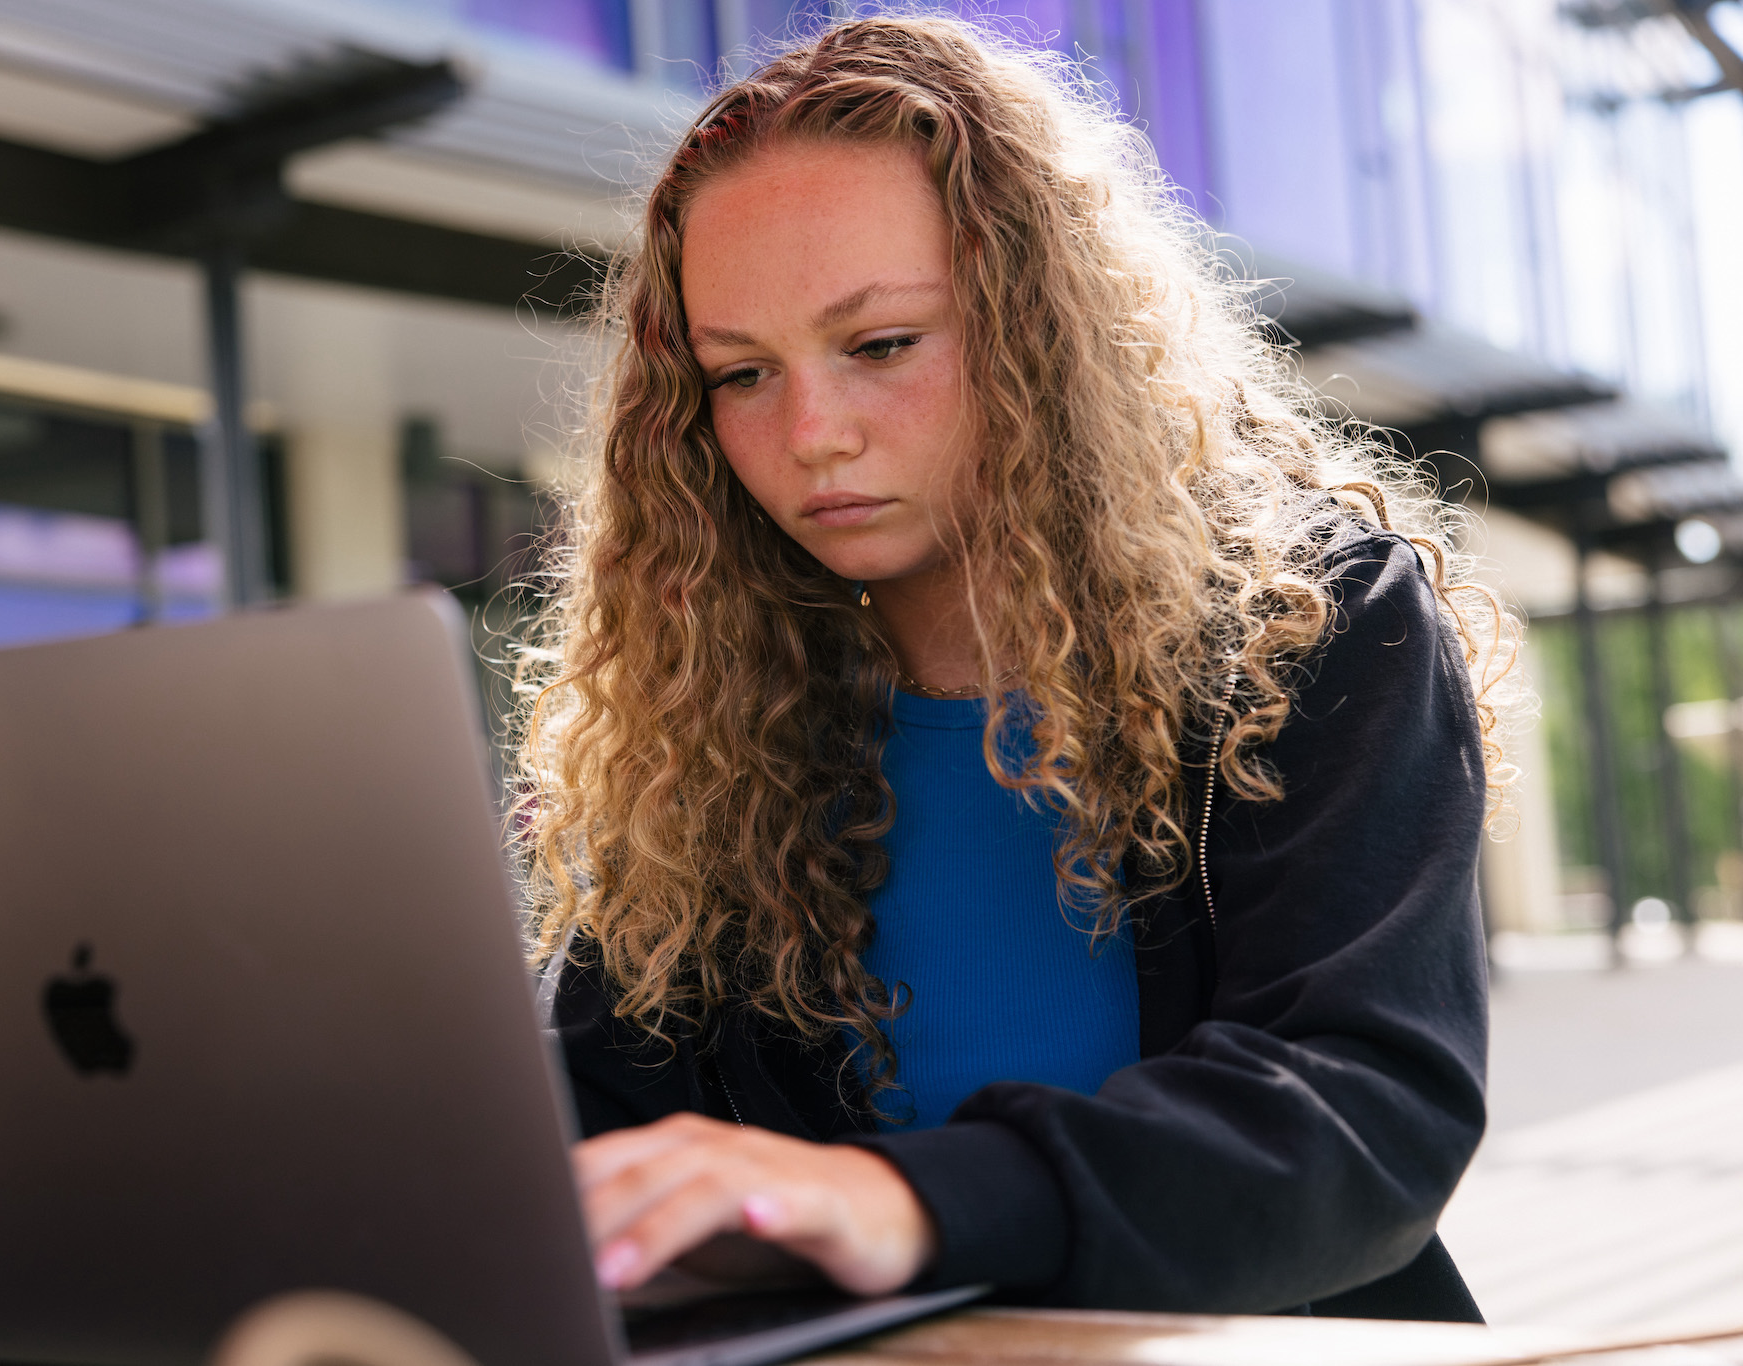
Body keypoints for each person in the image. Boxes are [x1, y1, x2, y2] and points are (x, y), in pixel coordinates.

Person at [514, 14, 1517, 1322]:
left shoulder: (1314, 624)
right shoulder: (714, 711)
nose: (810, 433)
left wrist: (909, 1200)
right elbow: (603, 1128)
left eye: (880, 345)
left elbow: (1362, 1117)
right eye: (742, 373)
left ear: (1044, 327)